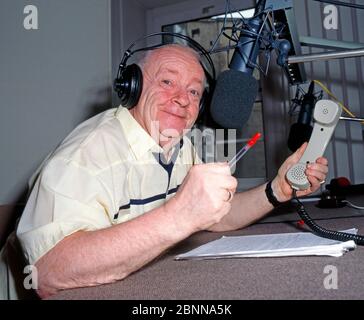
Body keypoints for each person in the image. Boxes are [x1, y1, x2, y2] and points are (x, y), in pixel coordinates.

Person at [6, 44, 328, 299]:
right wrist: (178, 217)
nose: (181, 100)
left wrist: (278, 190)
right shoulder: (85, 155)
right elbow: (48, 273)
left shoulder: (179, 145)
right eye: (167, 82)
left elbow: (217, 216)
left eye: (193, 92)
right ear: (133, 86)